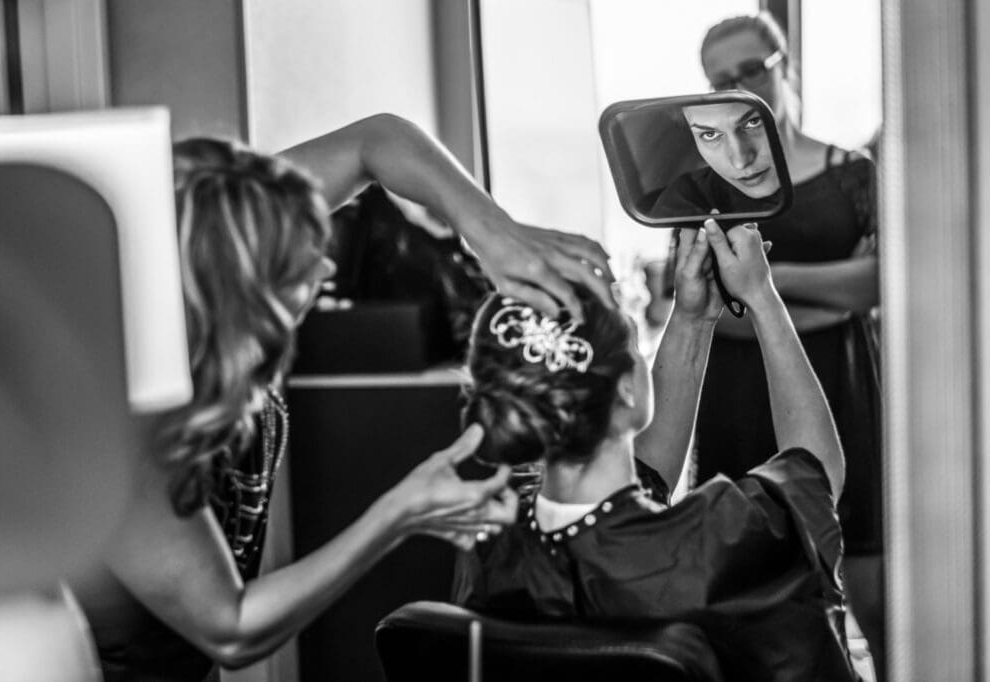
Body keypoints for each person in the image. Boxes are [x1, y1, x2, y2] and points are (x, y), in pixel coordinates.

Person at [71, 114, 616, 680]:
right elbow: (229, 627)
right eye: (298, 264)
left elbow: (376, 140)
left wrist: (493, 234)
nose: (327, 266)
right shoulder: (121, 424)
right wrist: (398, 513)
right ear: (236, 288)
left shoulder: (228, 231)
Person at [454, 221, 856, 681]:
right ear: (627, 389)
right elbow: (815, 471)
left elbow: (634, 487)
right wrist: (763, 298)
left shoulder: (490, 545)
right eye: (635, 344)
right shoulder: (714, 546)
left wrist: (693, 317)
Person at [692, 12, 883, 674]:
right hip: (739, 397)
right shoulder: (701, 191)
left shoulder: (852, 172)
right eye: (721, 82)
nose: (739, 88)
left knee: (873, 586)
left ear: (784, 66)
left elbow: (880, 282)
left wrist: (762, 284)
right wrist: (815, 297)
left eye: (750, 70)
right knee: (747, 596)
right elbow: (716, 310)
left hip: (845, 385)